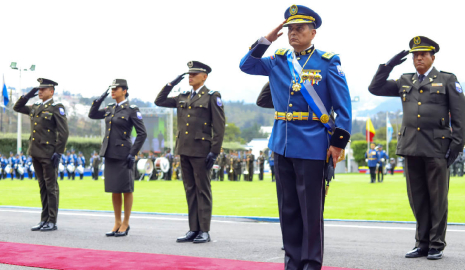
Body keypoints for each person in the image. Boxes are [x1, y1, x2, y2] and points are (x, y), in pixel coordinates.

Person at [240, 5, 352, 269]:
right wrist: (267, 38)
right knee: (288, 211)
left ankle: (311, 264)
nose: (293, 33)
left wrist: (337, 145)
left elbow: (344, 109)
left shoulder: (327, 62)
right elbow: (246, 65)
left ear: (313, 33)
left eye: (299, 28)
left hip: (313, 145)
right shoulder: (278, 59)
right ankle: (292, 263)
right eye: (289, 28)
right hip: (282, 144)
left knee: (311, 213)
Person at [368, 36, 465, 260]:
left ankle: (436, 244)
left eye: (423, 54)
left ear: (433, 57)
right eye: (415, 55)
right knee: (418, 198)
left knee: (437, 198)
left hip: (437, 147)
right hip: (411, 147)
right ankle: (421, 243)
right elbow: (375, 88)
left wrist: (457, 146)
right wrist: (389, 65)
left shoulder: (447, 80)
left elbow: (460, 116)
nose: (418, 58)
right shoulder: (405, 80)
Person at [155, 61, 225, 244]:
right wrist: (171, 83)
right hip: (184, 149)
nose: (190, 77)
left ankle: (204, 230)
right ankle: (193, 229)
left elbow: (219, 127)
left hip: (202, 150)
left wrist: (214, 152)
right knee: (190, 189)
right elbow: (159, 101)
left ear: (204, 76)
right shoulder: (182, 96)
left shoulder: (211, 97)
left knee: (203, 190)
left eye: (194, 74)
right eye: (188, 74)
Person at [89, 79, 147, 237]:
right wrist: (100, 98)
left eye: (116, 88)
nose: (113, 91)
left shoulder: (131, 109)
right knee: (114, 189)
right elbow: (93, 114)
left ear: (125, 91)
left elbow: (142, 133)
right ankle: (117, 222)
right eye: (111, 89)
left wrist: (133, 153)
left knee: (126, 189)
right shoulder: (110, 108)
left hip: (124, 154)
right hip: (110, 153)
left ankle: (126, 223)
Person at [14, 78, 69, 232]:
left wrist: (58, 152)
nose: (39, 92)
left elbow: (64, 132)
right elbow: (17, 107)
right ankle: (44, 219)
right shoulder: (36, 106)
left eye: (42, 89)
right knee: (42, 187)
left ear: (51, 91)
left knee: (51, 187)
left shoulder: (56, 108)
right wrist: (29, 94)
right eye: (38, 89)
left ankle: (52, 220)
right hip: (36, 152)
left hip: (49, 154)